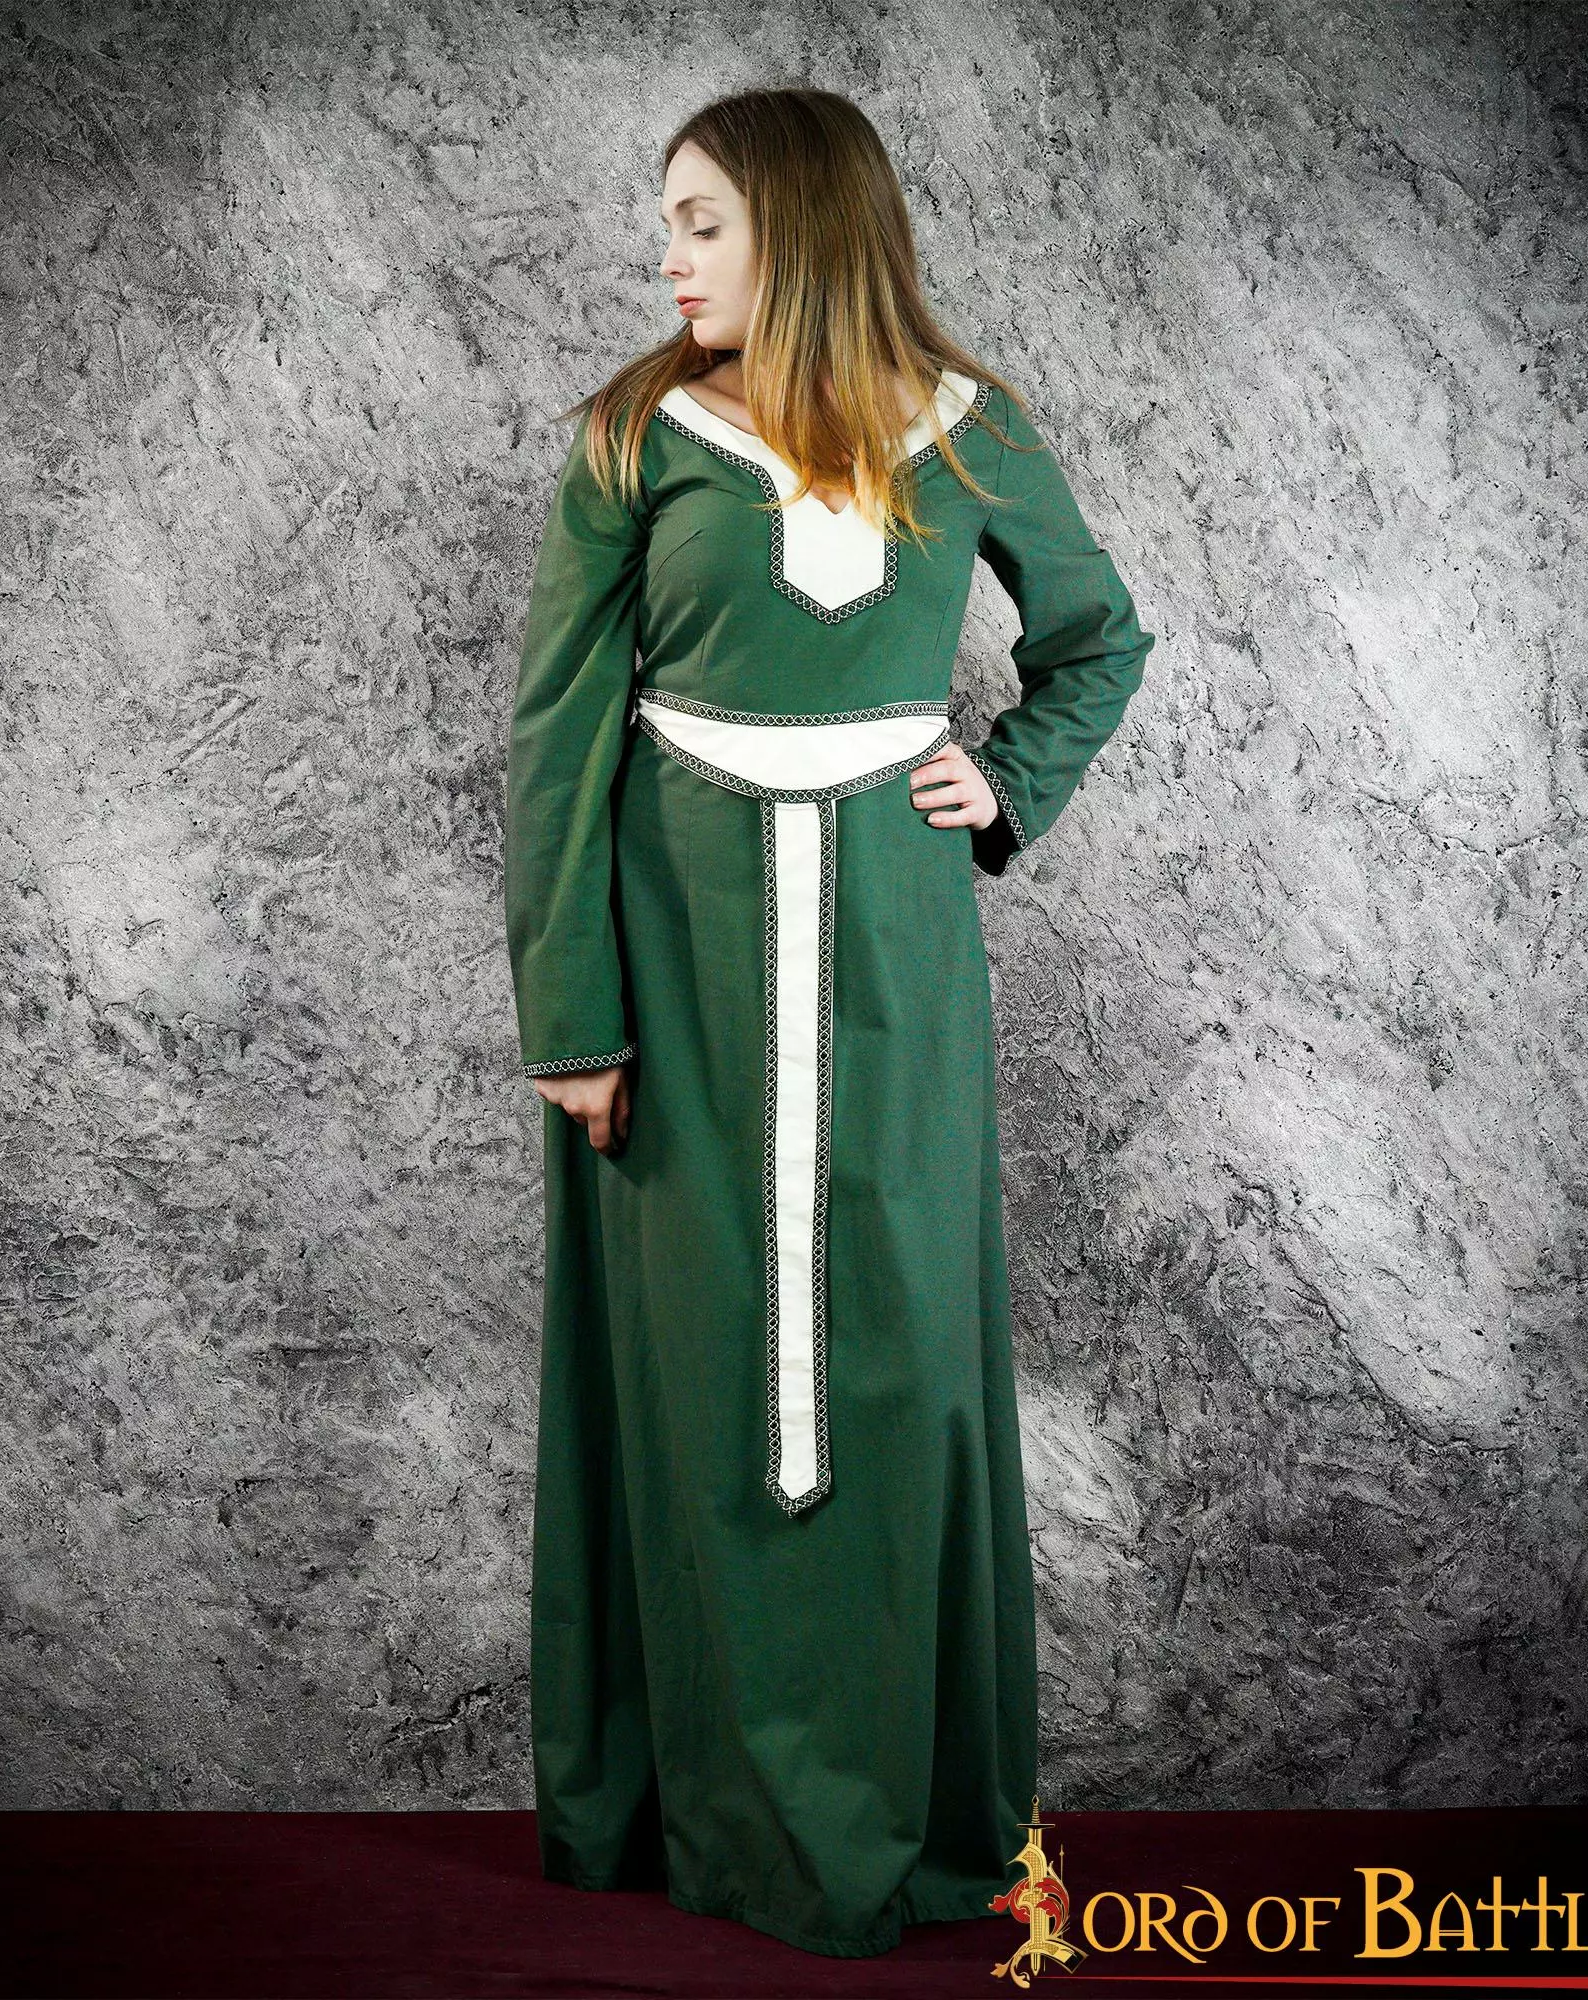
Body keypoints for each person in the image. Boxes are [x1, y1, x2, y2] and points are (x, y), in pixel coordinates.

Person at [503, 86, 1156, 1960]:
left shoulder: (968, 428)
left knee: (899, 1351)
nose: (669, 256)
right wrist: (575, 1018)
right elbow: (556, 735)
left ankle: (915, 1806)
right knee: (693, 1359)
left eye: (700, 220)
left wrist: (1006, 775)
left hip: (894, 955)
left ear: (799, 227)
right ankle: (682, 1810)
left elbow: (1098, 634)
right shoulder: (638, 437)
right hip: (675, 952)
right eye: (668, 222)